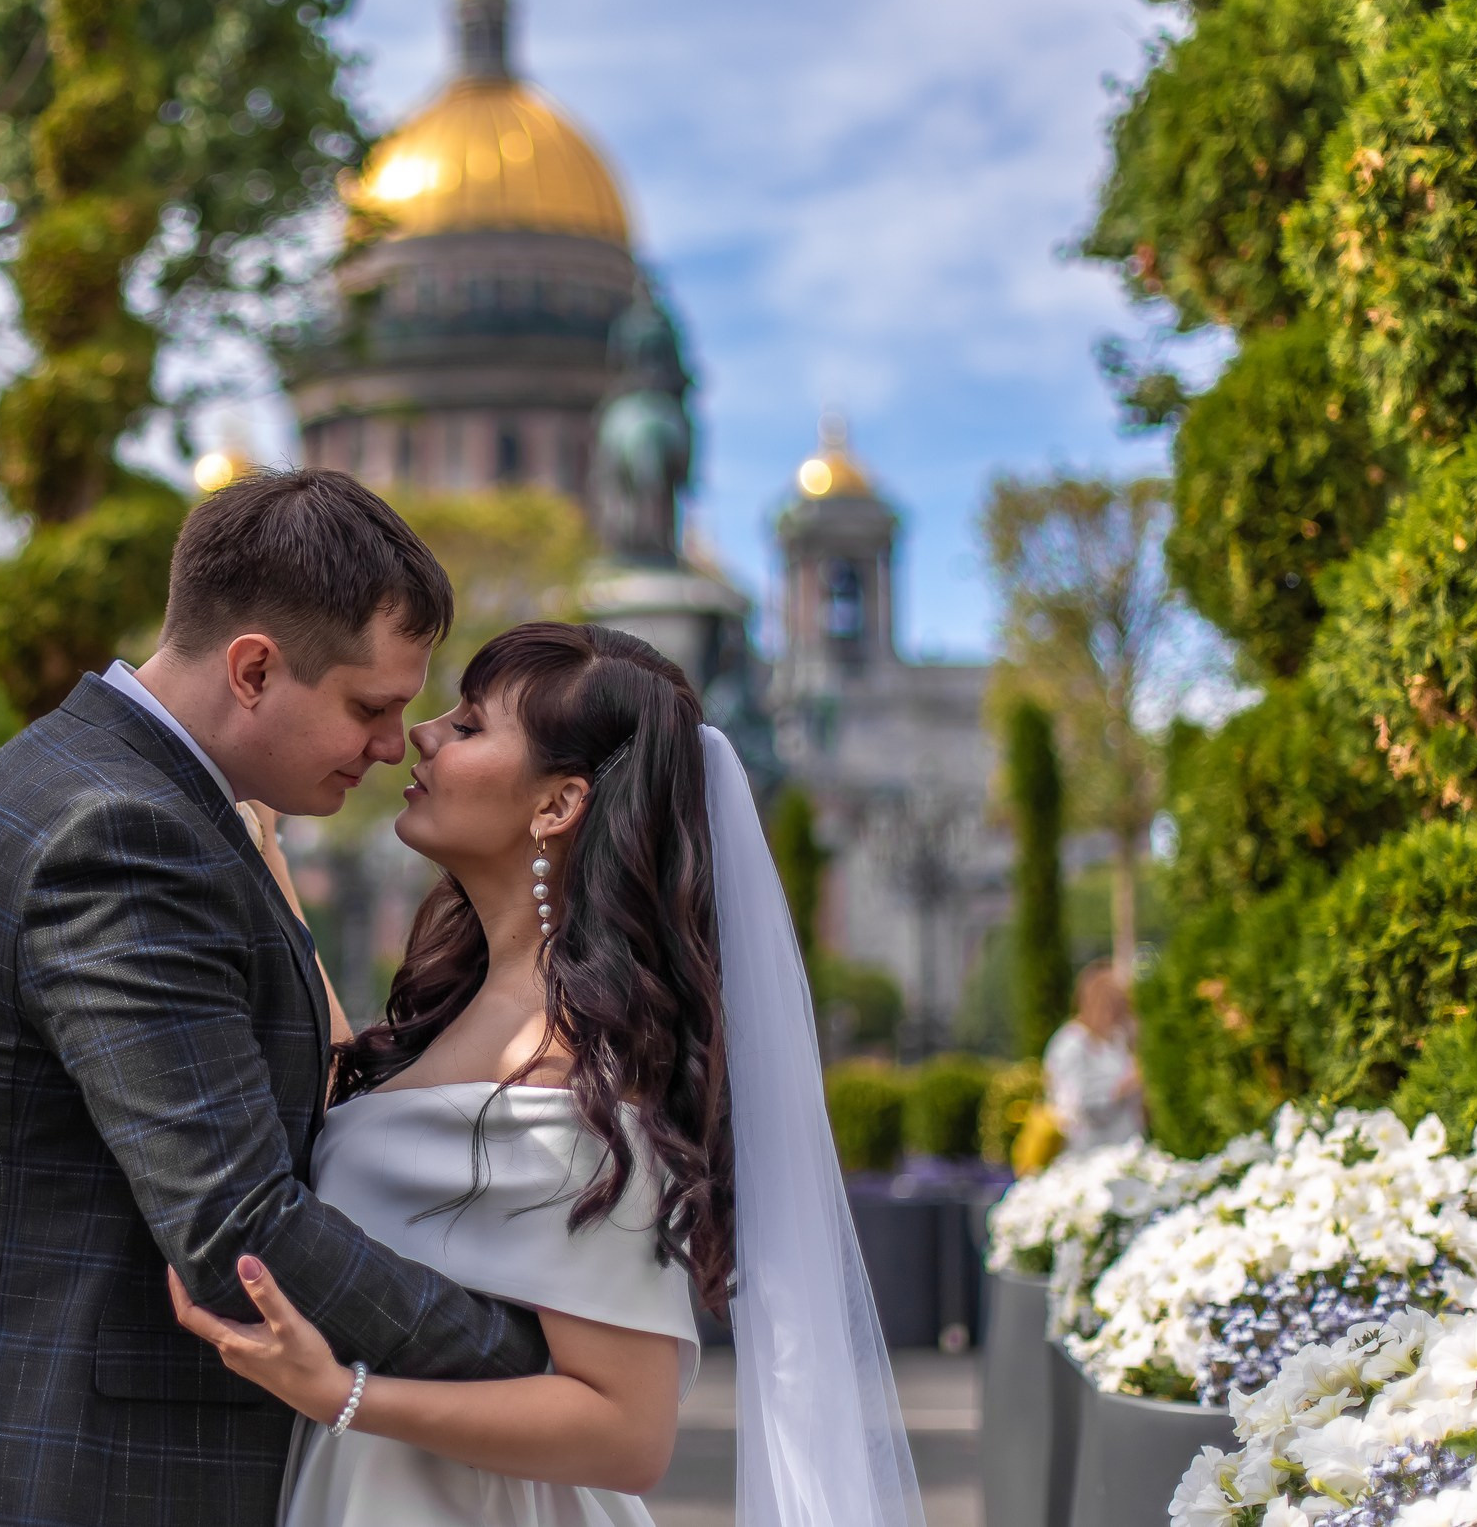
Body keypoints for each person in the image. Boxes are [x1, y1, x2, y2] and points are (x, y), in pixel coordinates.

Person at [0, 470, 550, 1527]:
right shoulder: (122, 835)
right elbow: (242, 1234)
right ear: (252, 669)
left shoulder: (85, 773)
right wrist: (527, 1354)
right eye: (369, 707)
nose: (391, 746)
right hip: (94, 1477)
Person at [171, 622, 924, 1527]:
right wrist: (269, 857)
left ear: (559, 803)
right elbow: (360, 1104)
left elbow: (628, 1429)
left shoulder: (588, 1086)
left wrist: (345, 1393)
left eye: (471, 723)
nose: (424, 733)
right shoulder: (469, 1013)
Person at [1044, 962, 1144, 1155]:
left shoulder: (1114, 1042)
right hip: (1087, 1155)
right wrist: (1125, 1087)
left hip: (1122, 1151)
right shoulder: (1071, 1043)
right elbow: (1077, 1104)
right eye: (1115, 1005)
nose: (1120, 1015)